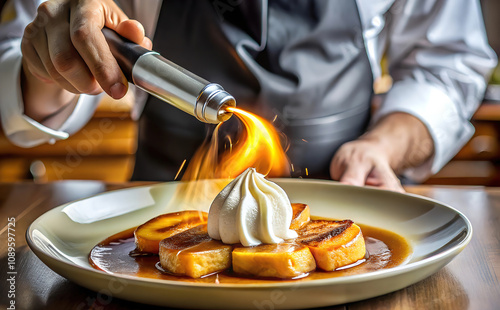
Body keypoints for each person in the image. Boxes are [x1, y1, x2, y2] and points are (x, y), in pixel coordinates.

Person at [0, 0, 497, 192]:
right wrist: (52, 60)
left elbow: (447, 63)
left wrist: (384, 146)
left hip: (349, 201)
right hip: (161, 208)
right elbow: (28, 52)